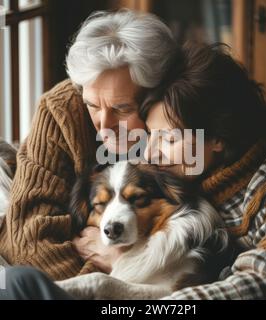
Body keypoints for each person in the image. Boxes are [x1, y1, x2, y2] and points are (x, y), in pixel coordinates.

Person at [1, 43, 266, 300]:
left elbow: (264, 282)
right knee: (19, 283)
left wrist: (118, 277)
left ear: (219, 136)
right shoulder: (196, 170)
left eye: (169, 139)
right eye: (150, 136)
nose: (150, 153)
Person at [0, 9, 178, 280]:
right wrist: (106, 284)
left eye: (121, 108)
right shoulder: (59, 110)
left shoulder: (181, 121)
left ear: (157, 98)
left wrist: (122, 264)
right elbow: (29, 241)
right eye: (92, 106)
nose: (104, 125)